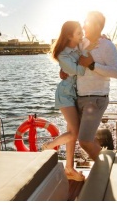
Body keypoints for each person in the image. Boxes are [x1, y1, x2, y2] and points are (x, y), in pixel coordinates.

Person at [44, 20, 87, 181]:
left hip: (76, 94)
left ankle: (69, 168)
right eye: (78, 33)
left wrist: (103, 37)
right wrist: (87, 62)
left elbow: (91, 42)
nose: (82, 35)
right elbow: (79, 71)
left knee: (72, 132)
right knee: (75, 132)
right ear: (69, 35)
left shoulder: (78, 46)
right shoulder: (63, 55)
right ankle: (48, 146)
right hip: (65, 95)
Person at [76, 11, 117, 160]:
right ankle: (101, 166)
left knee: (84, 141)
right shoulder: (81, 44)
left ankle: (106, 172)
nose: (83, 26)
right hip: (79, 97)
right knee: (86, 138)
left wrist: (92, 65)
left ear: (96, 25)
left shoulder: (107, 45)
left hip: (95, 99)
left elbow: (116, 72)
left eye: (86, 22)